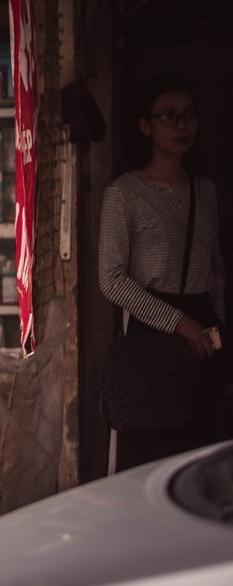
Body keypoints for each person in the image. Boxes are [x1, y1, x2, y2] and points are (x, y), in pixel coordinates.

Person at [98, 72, 227, 470]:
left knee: (201, 458)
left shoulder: (204, 189)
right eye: (168, 116)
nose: (181, 125)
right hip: (153, 335)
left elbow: (216, 269)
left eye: (188, 115)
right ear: (145, 125)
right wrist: (179, 323)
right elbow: (111, 278)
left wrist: (218, 325)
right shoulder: (124, 193)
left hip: (204, 333)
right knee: (150, 460)